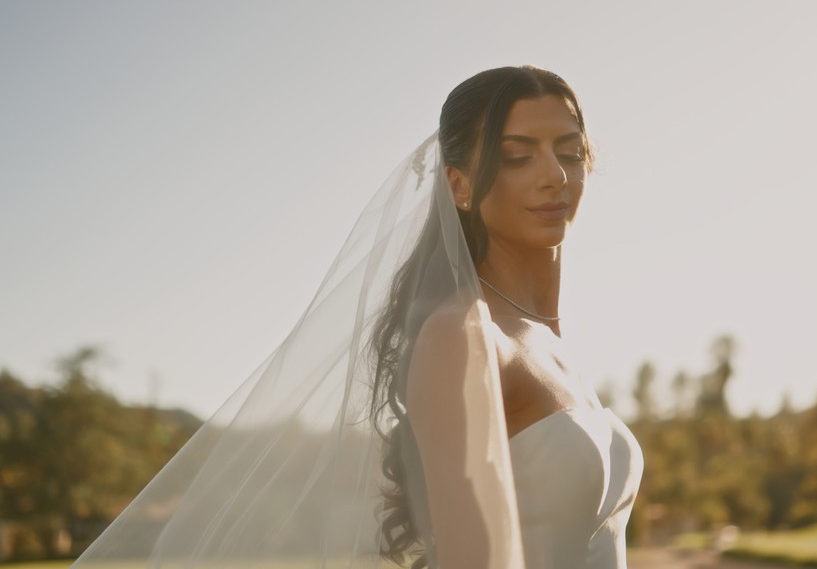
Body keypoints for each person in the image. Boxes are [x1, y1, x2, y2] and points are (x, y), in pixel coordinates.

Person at [70, 66, 642, 569]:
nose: (556, 176)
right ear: (459, 186)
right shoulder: (463, 336)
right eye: (518, 156)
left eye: (569, 152)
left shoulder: (549, 340)